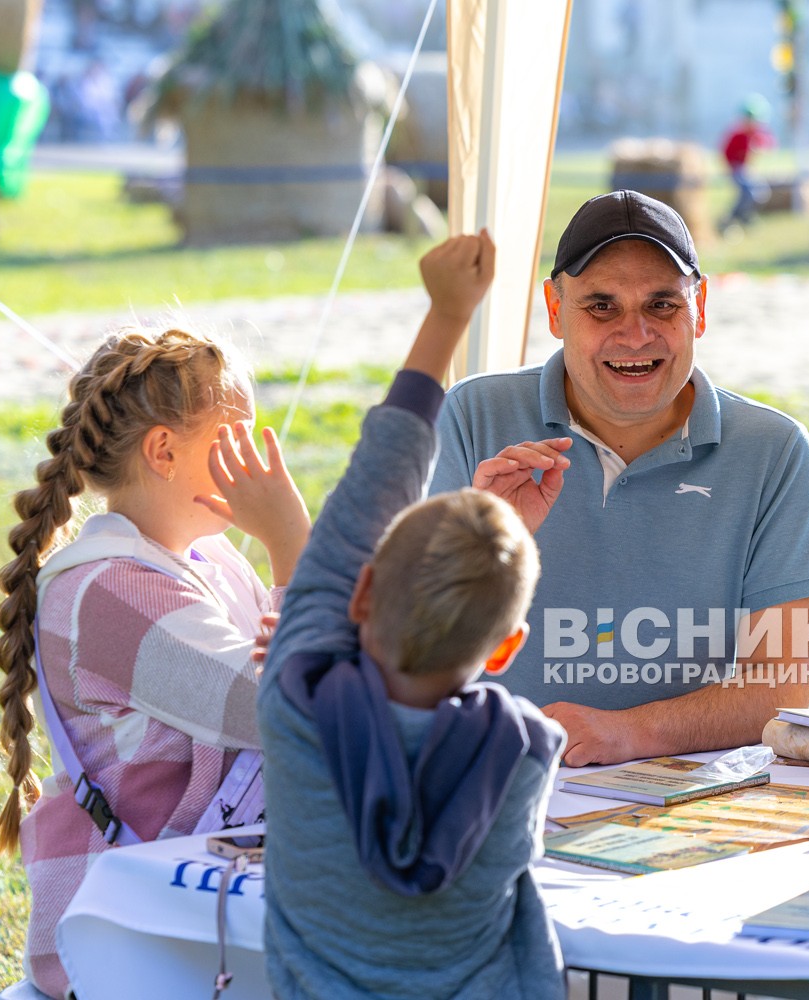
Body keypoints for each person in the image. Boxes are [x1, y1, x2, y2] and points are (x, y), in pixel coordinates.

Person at [259, 231, 567, 999]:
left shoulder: (296, 700)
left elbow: (379, 477)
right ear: (505, 651)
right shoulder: (525, 756)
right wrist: (489, 557)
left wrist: (447, 315)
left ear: (361, 596)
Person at [429, 190, 809, 767]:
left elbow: (782, 689)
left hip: (692, 790)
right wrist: (483, 556)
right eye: (601, 306)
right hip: (496, 775)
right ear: (553, 308)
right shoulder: (472, 417)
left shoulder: (774, 451)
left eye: (662, 305)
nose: (635, 334)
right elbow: (415, 659)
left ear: (699, 308)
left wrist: (626, 733)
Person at [0, 328, 311, 998]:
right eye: (238, 436)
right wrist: (292, 543)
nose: (256, 456)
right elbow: (280, 709)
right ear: (164, 450)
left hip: (201, 904)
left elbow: (332, 678)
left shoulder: (210, 561)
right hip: (123, 943)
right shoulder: (107, 590)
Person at [719, 95, 776, 232]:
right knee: (748, 192)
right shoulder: (737, 135)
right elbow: (727, 154)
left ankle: (744, 216)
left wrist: (759, 149)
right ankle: (731, 218)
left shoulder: (757, 134)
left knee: (761, 193)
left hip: (749, 169)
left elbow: (769, 144)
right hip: (737, 169)